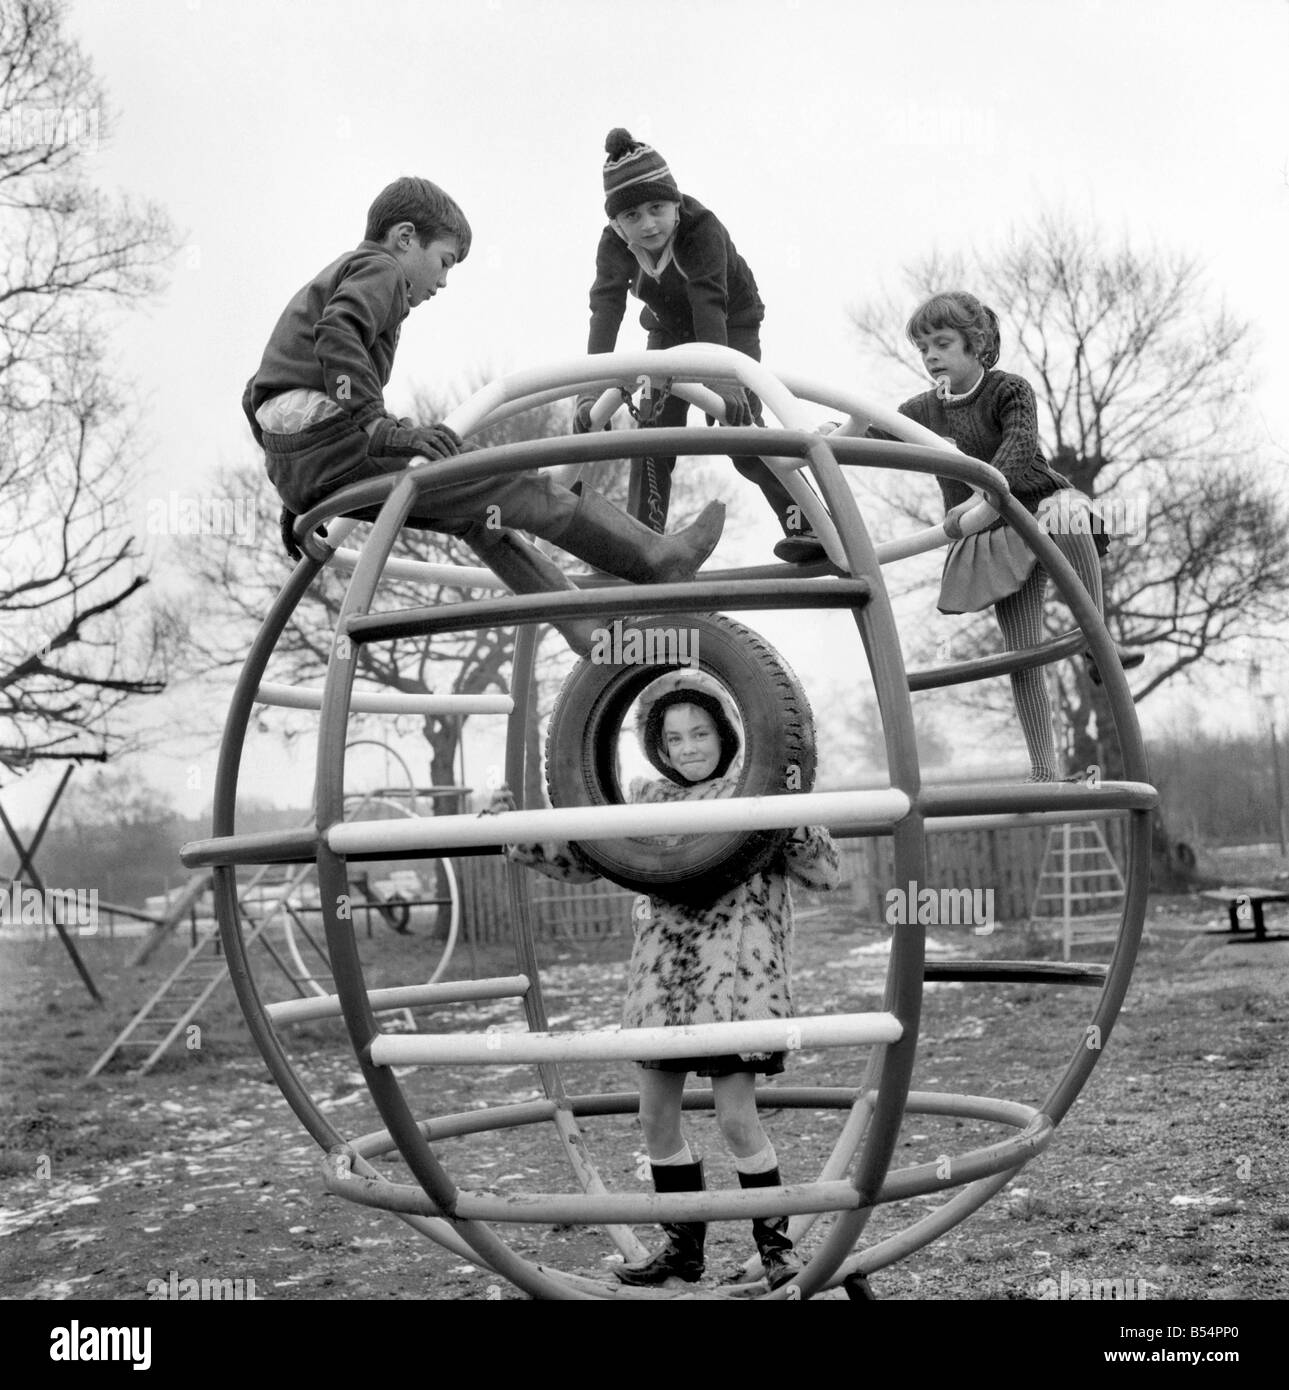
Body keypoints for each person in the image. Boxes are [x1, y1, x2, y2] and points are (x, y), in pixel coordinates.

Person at [241, 176, 725, 657]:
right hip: (334, 440)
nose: (443, 282)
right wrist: (375, 424)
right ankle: (657, 557)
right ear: (405, 237)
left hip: (300, 462)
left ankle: (581, 623)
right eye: (444, 262)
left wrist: (295, 485)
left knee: (476, 515)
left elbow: (260, 394)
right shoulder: (381, 269)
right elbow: (339, 333)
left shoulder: (333, 279)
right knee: (506, 480)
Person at [487, 670, 840, 1289]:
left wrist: (793, 807)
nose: (689, 747)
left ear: (728, 734)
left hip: (736, 987)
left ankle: (775, 1245)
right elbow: (582, 857)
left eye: (701, 732)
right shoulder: (647, 808)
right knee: (655, 1119)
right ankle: (683, 1247)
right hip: (662, 990)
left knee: (736, 1118)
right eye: (674, 739)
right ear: (659, 748)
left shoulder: (756, 795)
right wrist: (512, 832)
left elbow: (824, 871)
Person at [883, 290, 1141, 782]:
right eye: (924, 349)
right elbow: (875, 431)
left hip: (1037, 509)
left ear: (975, 344)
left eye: (942, 343)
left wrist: (983, 498)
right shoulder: (923, 409)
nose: (932, 356)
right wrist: (835, 429)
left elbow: (1020, 447)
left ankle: (1097, 643)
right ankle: (1043, 771)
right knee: (1022, 652)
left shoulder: (1009, 390)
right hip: (995, 535)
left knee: (1068, 512)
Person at [573, 129, 825, 564]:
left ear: (675, 203)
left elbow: (711, 300)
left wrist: (722, 383)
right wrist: (590, 389)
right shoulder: (614, 245)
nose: (648, 224)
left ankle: (809, 523)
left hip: (731, 325)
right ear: (616, 223)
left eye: (657, 209)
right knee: (653, 431)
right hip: (668, 332)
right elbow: (606, 310)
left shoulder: (700, 228)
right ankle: (643, 539)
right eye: (632, 216)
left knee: (739, 430)